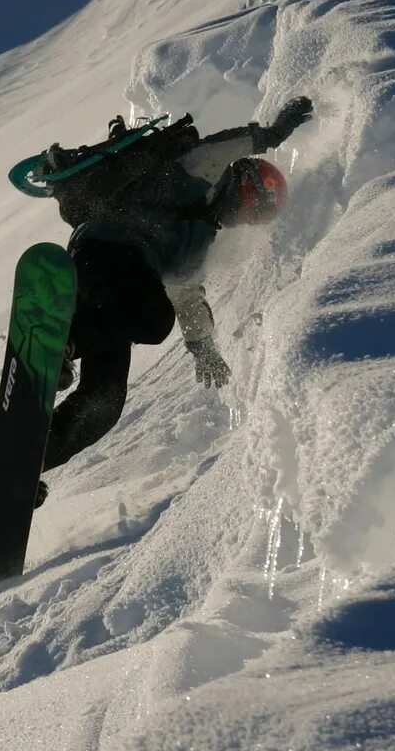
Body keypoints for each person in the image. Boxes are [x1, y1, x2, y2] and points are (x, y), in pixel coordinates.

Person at [36, 96, 314, 498]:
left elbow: (185, 294)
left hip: (113, 287)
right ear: (246, 188)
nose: (245, 219)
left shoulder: (198, 233)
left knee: (105, 402)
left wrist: (202, 345)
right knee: (152, 321)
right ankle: (65, 341)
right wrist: (269, 134)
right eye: (253, 209)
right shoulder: (202, 178)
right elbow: (216, 150)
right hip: (109, 252)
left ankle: (29, 465)